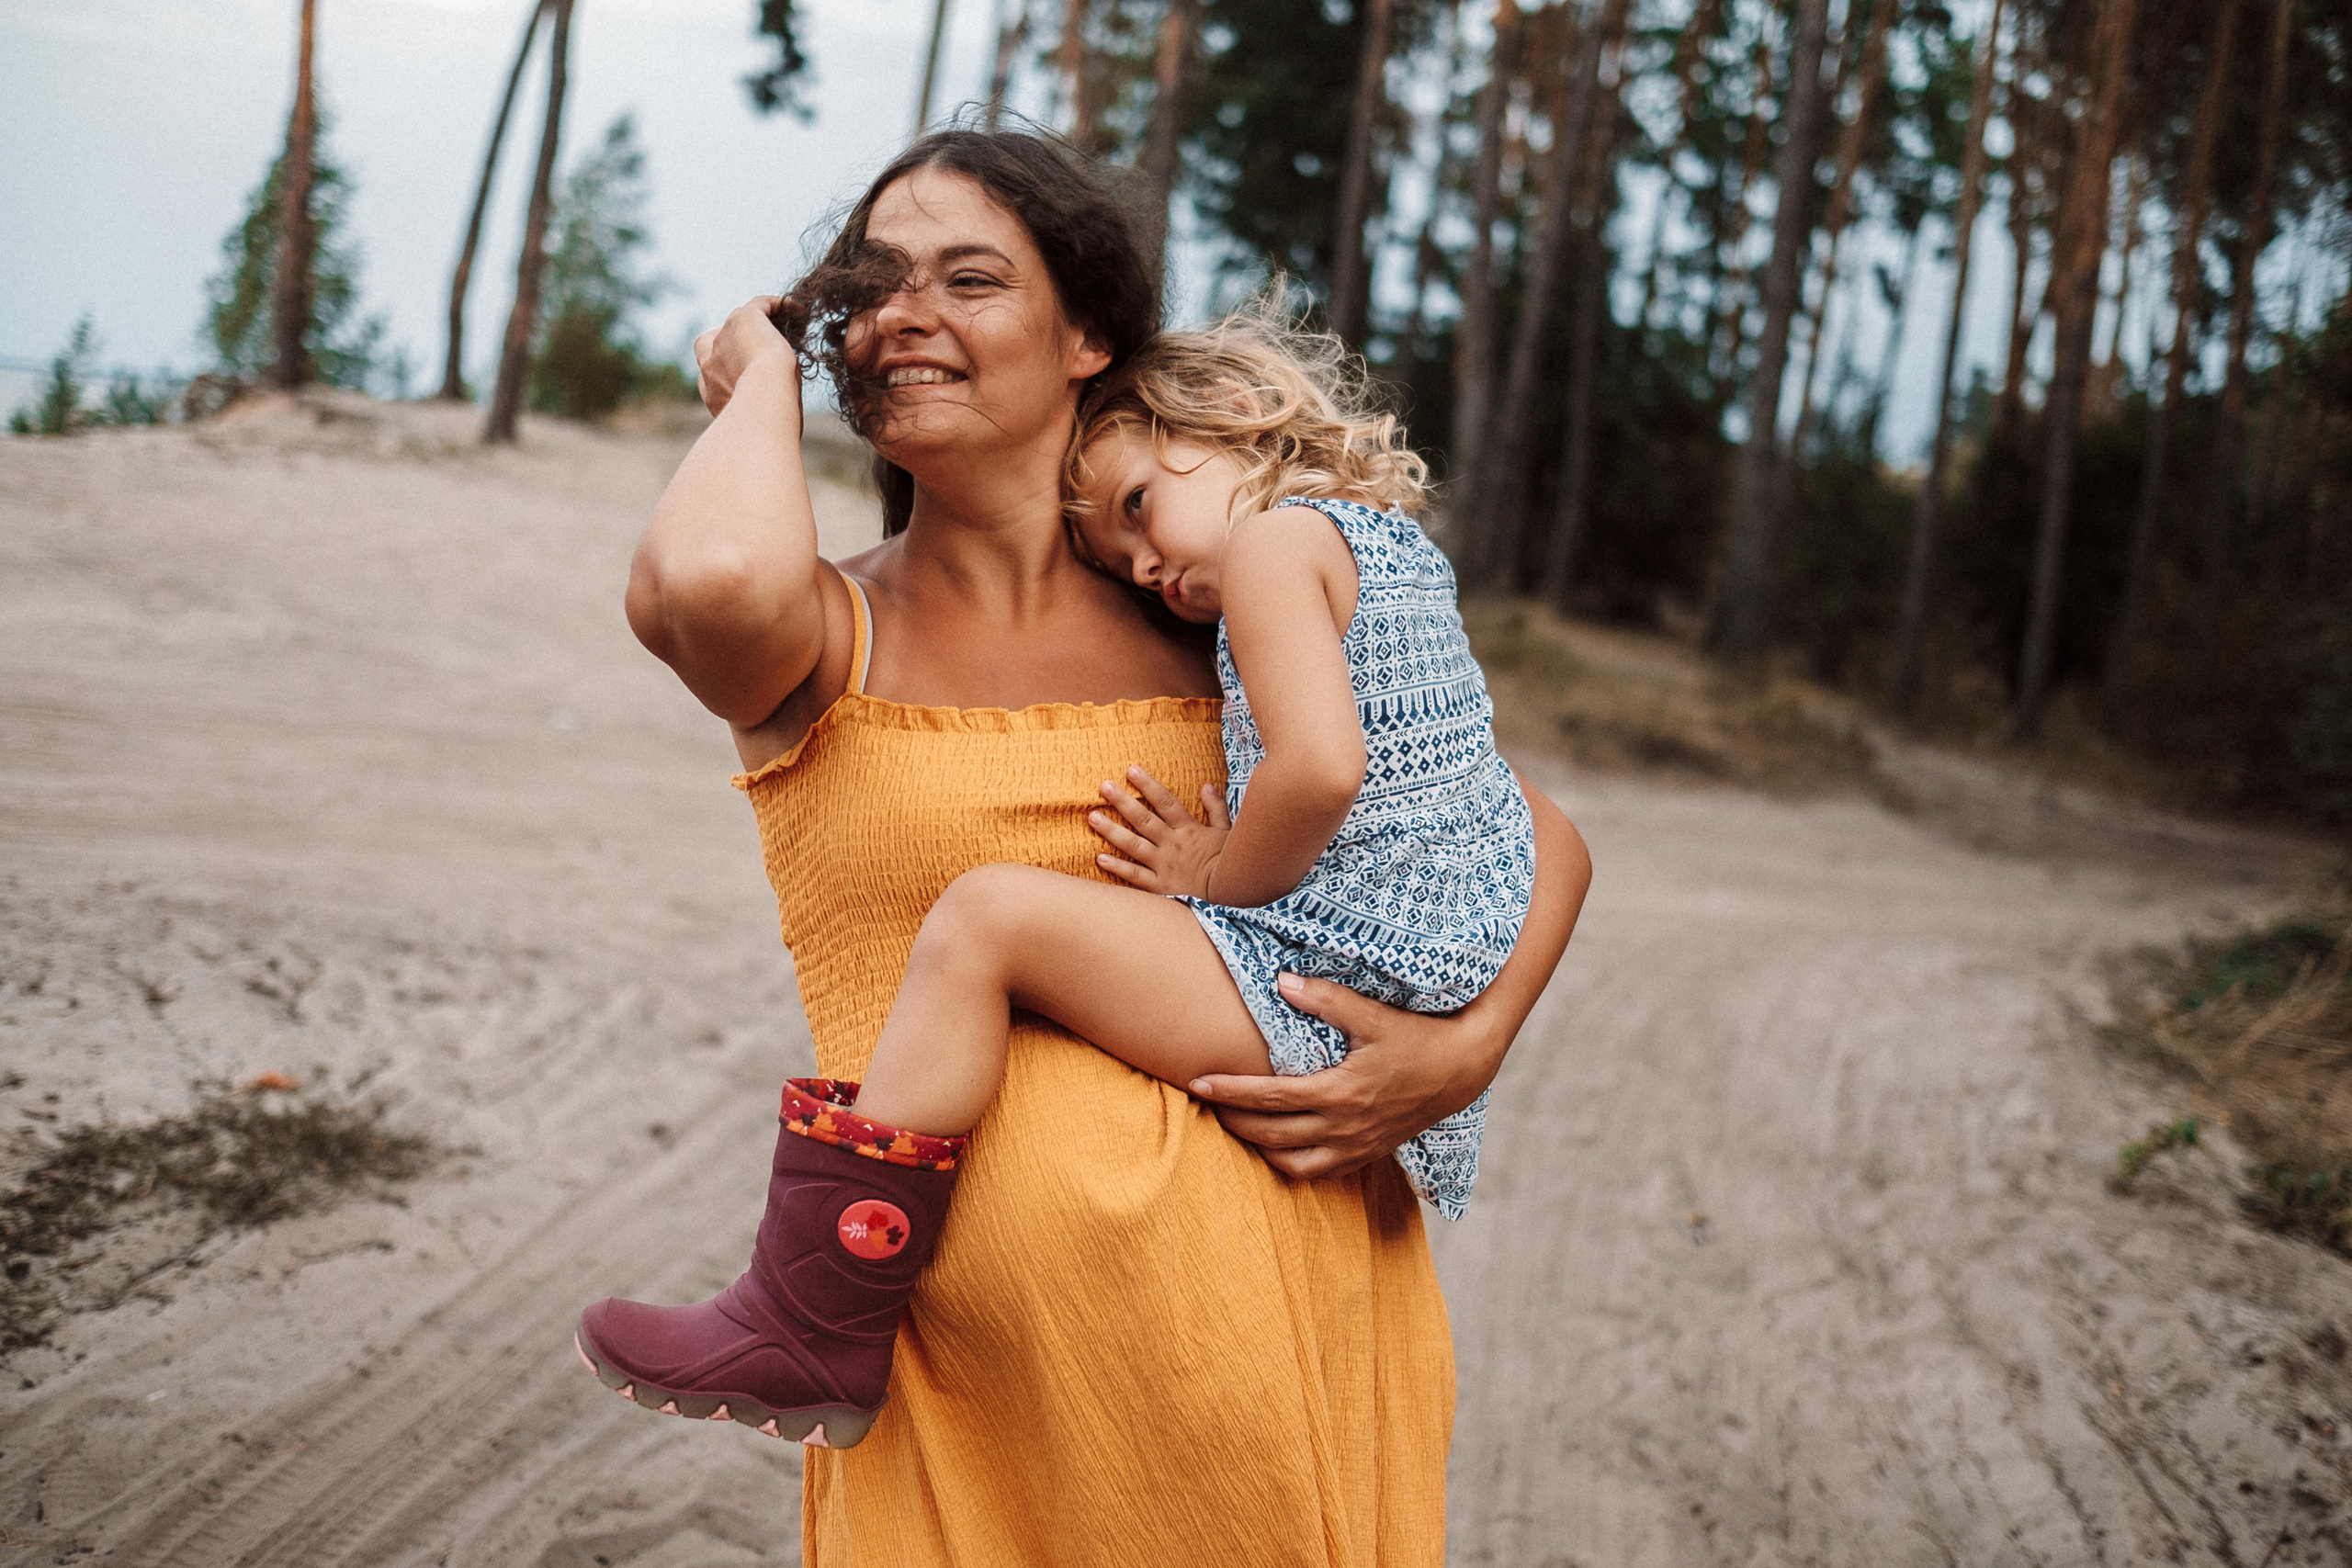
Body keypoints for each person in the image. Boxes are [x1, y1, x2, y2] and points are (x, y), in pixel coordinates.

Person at [576, 130, 1591, 1566]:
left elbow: (1520, 829)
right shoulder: (819, 634)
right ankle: (805, 1309)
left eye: (971, 278)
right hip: (970, 1402)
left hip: (1290, 1346)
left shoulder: (1218, 611)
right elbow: (711, 572)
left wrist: (1468, 1049)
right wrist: (759, 374)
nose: (905, 314)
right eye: (871, 288)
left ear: (1089, 335)